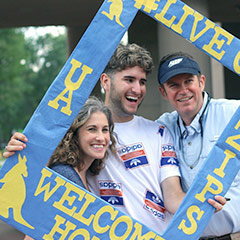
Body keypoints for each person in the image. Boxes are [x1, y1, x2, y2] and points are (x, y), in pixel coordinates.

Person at [3, 44, 225, 235]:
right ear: (106, 81)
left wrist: (200, 203)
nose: (137, 89)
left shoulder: (159, 131)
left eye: (142, 81)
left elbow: (173, 197)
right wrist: (21, 151)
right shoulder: (81, 133)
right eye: (129, 79)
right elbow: (42, 178)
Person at [156, 51, 240, 239]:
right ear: (163, 92)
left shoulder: (234, 114)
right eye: (173, 85)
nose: (183, 90)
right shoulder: (162, 128)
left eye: (188, 81)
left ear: (201, 82)